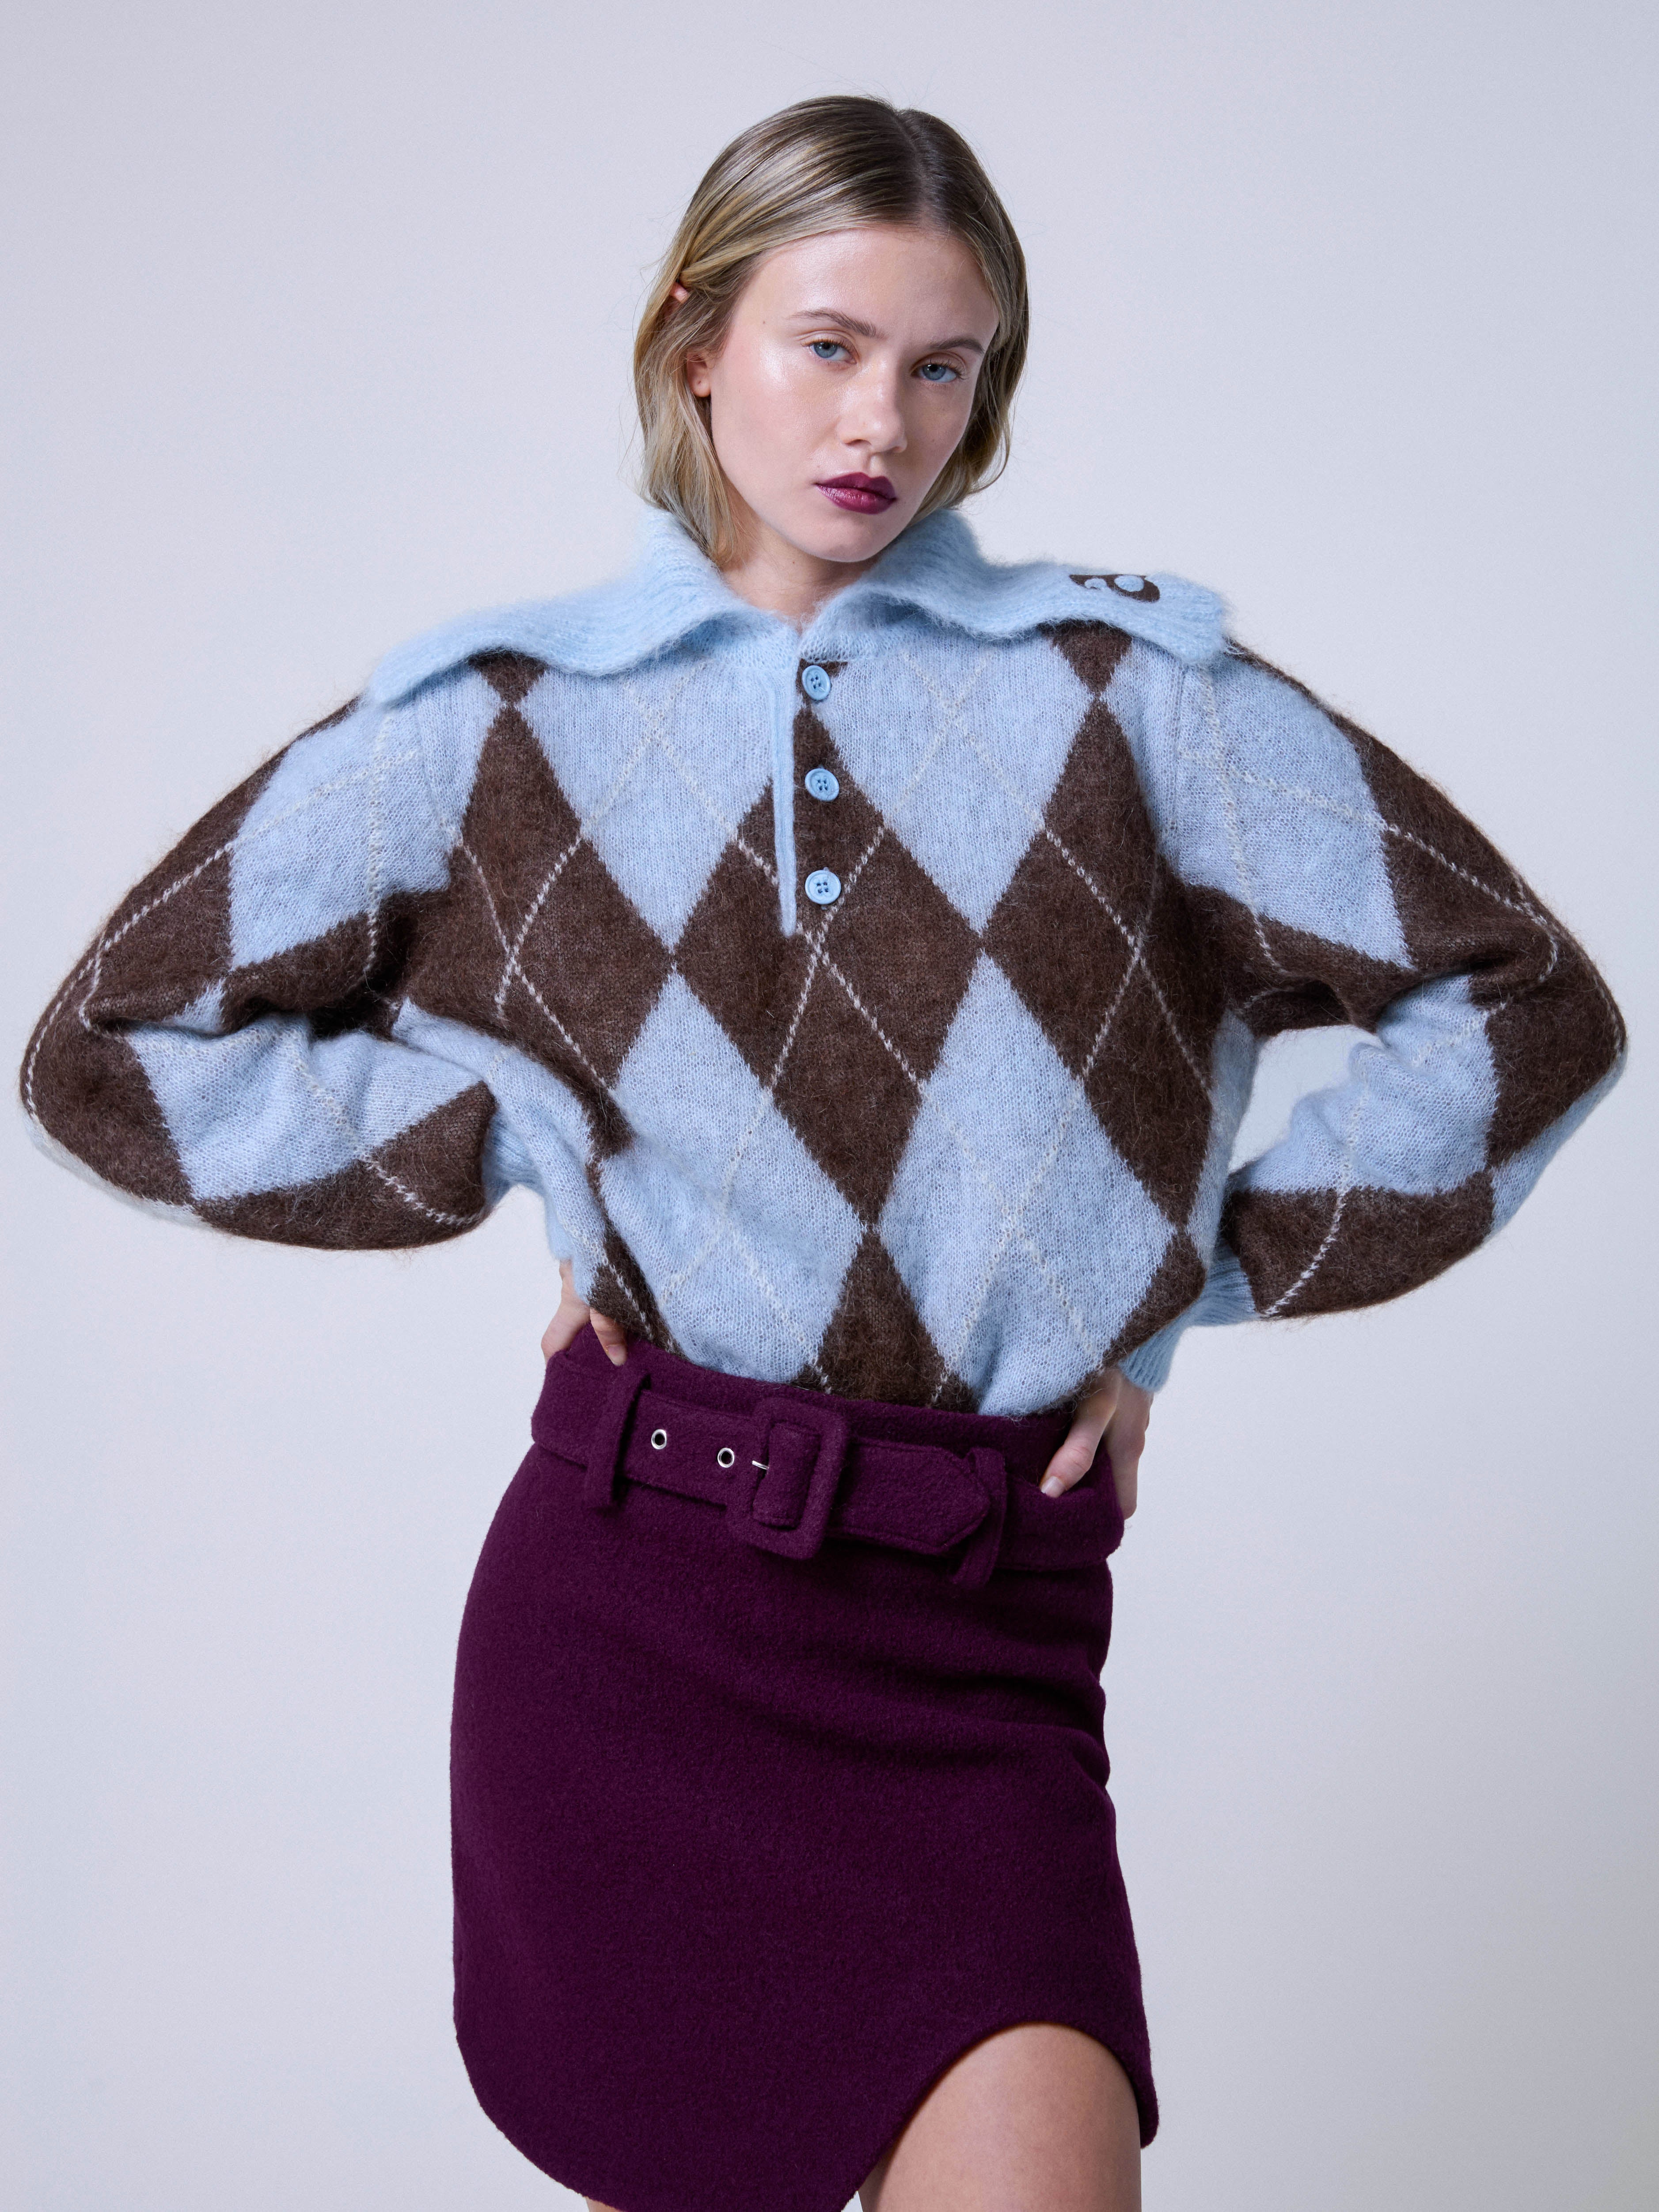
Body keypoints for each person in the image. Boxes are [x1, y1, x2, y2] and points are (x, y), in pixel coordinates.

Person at [20, 93, 1624, 2212]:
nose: (886, 420)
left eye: (945, 366)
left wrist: (1184, 1280)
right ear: (698, 345)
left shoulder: (1134, 696)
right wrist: (509, 1133)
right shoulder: (502, 721)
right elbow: (113, 1041)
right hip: (635, 1621)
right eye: (830, 345)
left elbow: (1527, 1003)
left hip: (986, 1641)